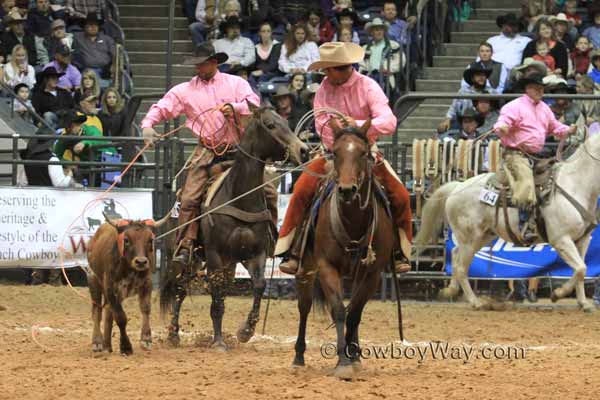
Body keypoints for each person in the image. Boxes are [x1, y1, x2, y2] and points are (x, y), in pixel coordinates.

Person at [275, 41, 412, 276]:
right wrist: (339, 141)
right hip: (332, 153)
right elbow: (321, 125)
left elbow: (389, 121)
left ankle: (399, 251)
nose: (327, 74)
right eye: (326, 69)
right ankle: (292, 250)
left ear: (345, 67)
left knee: (400, 195)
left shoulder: (368, 86)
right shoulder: (323, 91)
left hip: (365, 153)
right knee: (301, 190)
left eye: (330, 68)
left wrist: (356, 125)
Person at [140, 43, 274, 269]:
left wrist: (235, 108)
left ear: (214, 62)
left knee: (268, 190)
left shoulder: (237, 84)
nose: (199, 68)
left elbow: (254, 105)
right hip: (208, 151)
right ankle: (186, 243)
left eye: (203, 63)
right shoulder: (185, 90)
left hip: (240, 151)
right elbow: (163, 106)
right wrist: (147, 125)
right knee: (189, 197)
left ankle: (271, 237)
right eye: (197, 64)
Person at [493, 73, 576, 241]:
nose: (540, 91)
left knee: (558, 179)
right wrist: (501, 127)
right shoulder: (514, 106)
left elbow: (555, 127)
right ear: (528, 88)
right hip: (516, 154)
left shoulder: (544, 108)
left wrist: (567, 130)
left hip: (538, 156)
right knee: (526, 186)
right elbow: (503, 122)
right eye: (537, 88)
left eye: (542, 88)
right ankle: (525, 224)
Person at [438, 64, 491, 133]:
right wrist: (448, 119)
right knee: (442, 130)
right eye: (478, 75)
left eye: (483, 75)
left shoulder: (492, 92)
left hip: (484, 124)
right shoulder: (463, 91)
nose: (481, 78)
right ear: (472, 78)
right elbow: (453, 107)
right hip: (462, 122)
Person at [359, 17, 403, 92]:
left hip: (386, 79)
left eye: (381, 29)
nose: (379, 32)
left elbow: (401, 60)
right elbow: (360, 64)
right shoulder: (365, 48)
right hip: (370, 78)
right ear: (371, 32)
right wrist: (366, 71)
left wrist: (389, 69)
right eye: (376, 30)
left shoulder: (393, 45)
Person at [72, 12, 115, 86]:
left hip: (107, 69)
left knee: (124, 80)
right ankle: (109, 85)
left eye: (96, 24)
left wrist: (114, 65)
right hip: (90, 70)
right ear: (85, 26)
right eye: (91, 24)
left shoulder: (107, 39)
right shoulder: (78, 38)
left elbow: (115, 53)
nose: (94, 27)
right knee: (97, 83)